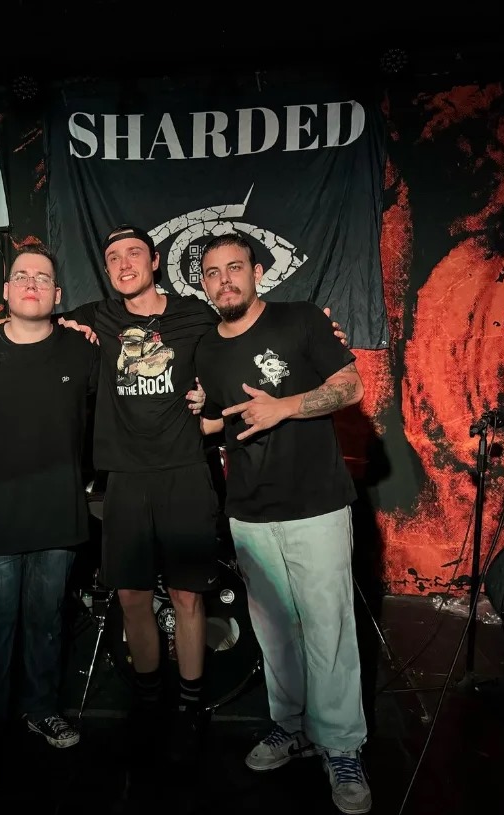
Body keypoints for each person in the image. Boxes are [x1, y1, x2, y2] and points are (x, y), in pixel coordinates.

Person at [54, 225, 348, 762]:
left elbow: (254, 337)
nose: (124, 264)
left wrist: (318, 337)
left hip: (188, 472)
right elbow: (26, 323)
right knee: (134, 598)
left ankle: (194, 707)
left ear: (155, 260)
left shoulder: (197, 315)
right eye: (113, 257)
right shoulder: (96, 317)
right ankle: (153, 702)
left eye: (134, 253)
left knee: (190, 596)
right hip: (127, 477)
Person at [192, 233, 371, 815]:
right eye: (213, 272)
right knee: (274, 632)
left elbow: (350, 385)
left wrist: (285, 406)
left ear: (257, 272)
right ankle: (290, 726)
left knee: (328, 630)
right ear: (203, 284)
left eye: (234, 267)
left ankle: (341, 746)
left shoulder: (299, 320)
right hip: (248, 510)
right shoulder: (206, 348)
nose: (225, 280)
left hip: (315, 503)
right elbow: (218, 419)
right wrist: (193, 415)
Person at [0, 245, 98, 785]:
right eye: (21, 276)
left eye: (43, 277)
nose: (32, 283)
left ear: (57, 294)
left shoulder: (83, 352)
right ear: (7, 291)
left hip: (56, 515)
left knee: (46, 623)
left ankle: (40, 710)